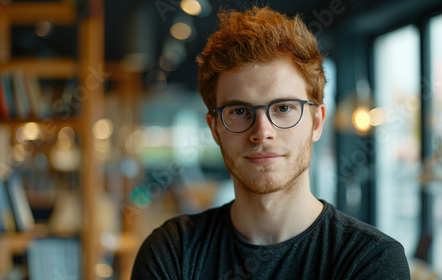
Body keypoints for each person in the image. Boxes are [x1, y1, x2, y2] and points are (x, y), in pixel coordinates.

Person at [131, 6, 410, 279]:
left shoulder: (370, 258)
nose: (262, 132)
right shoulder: (173, 251)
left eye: (284, 108)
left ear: (316, 122)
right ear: (215, 128)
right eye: (239, 111)